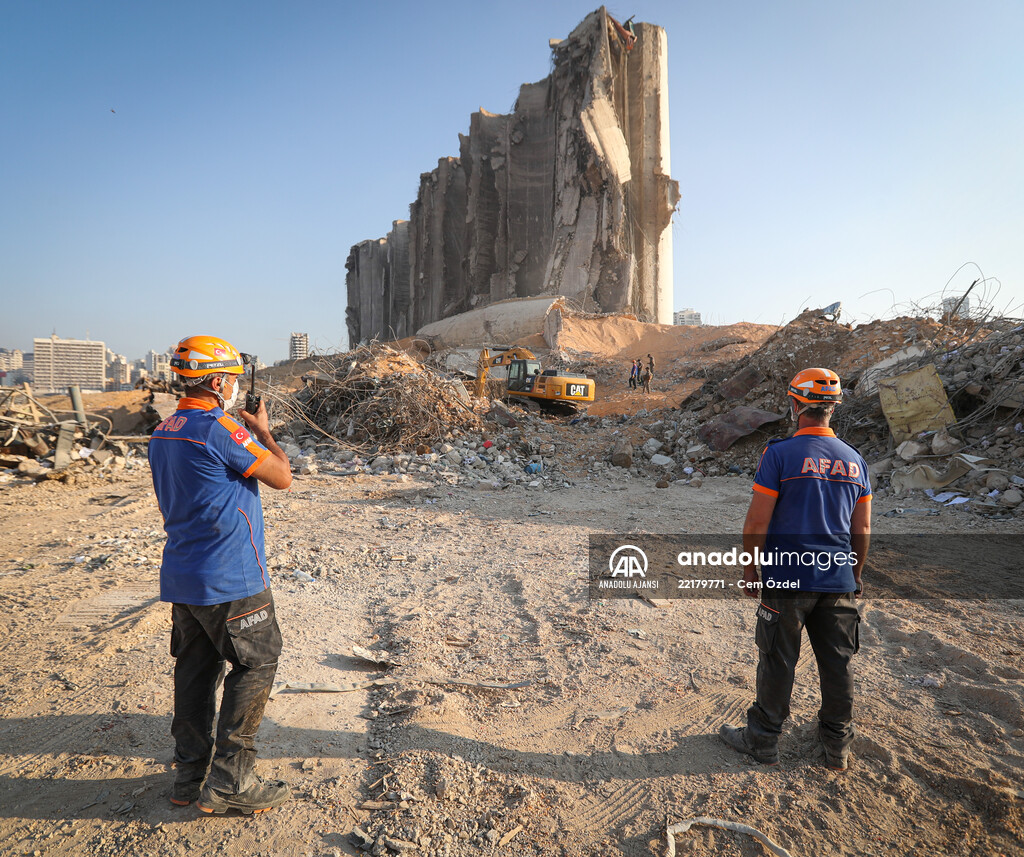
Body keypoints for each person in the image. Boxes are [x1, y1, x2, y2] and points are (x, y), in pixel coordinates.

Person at [149, 335, 294, 814]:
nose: (234, 388)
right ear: (216, 383)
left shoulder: (164, 431)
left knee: (195, 671)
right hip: (231, 577)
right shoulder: (219, 430)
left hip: (184, 576)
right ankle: (232, 781)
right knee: (257, 663)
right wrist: (263, 432)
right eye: (231, 380)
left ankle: (189, 776)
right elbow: (282, 476)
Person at [719, 367, 871, 771]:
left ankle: (763, 740)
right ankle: (837, 744)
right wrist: (855, 575)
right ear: (832, 408)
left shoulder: (779, 454)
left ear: (795, 405)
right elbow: (862, 529)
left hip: (788, 576)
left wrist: (750, 571)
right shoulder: (855, 460)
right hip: (837, 577)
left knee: (778, 657)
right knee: (838, 661)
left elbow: (756, 522)